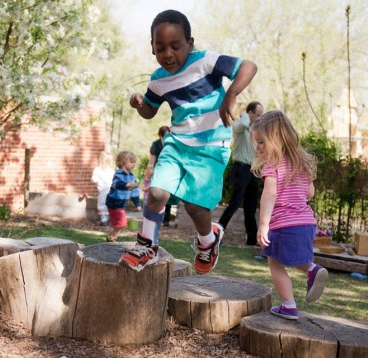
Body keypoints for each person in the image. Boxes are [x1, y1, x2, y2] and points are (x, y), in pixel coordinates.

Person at [119, 9, 257, 274]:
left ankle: (208, 241)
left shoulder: (204, 61)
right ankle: (146, 245)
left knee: (194, 206)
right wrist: (138, 103)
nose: (168, 53)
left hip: (210, 145)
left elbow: (248, 67)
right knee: (157, 193)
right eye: (161, 48)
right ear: (152, 48)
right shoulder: (159, 79)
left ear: (190, 43)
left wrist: (231, 94)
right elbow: (150, 110)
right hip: (177, 142)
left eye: (175, 46)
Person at [251, 110, 328, 320]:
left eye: (261, 142)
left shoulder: (273, 164)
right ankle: (312, 269)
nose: (258, 147)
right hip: (305, 222)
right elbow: (309, 193)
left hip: (283, 223)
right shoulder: (303, 163)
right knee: (294, 258)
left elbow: (269, 193)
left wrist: (264, 224)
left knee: (275, 262)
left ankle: (288, 305)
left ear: (275, 140)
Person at [218, 101, 264, 245]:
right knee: (234, 203)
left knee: (250, 207)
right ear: (250, 113)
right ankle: (217, 233)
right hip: (240, 168)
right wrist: (244, 115)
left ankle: (251, 240)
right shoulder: (240, 125)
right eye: (258, 115)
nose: (259, 118)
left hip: (252, 171)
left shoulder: (255, 131)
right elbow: (242, 125)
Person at [106, 151, 142, 242]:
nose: (133, 164)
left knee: (121, 224)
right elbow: (115, 184)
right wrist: (127, 185)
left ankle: (112, 238)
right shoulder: (118, 174)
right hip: (114, 202)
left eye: (134, 162)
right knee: (121, 223)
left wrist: (137, 203)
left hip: (121, 204)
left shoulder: (132, 176)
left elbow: (134, 192)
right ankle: (112, 238)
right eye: (131, 162)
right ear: (123, 162)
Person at [149, 125, 172, 227]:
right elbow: (151, 161)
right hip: (158, 171)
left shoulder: (172, 144)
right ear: (160, 136)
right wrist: (150, 170)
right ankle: (154, 218)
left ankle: (166, 219)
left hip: (169, 172)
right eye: (164, 136)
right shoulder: (156, 145)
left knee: (167, 196)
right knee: (156, 195)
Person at [91, 151, 115, 226]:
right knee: (109, 204)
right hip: (111, 190)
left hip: (102, 190)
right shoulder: (111, 171)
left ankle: (104, 220)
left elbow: (94, 179)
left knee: (102, 205)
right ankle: (109, 218)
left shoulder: (97, 170)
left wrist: (93, 179)